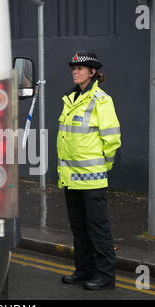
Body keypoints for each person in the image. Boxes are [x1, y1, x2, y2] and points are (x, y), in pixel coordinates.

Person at [57, 51, 121, 290]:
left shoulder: (101, 100)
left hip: (92, 179)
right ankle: (83, 270)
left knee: (98, 229)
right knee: (79, 228)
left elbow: (112, 139)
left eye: (80, 68)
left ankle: (105, 276)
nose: (75, 71)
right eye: (73, 68)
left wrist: (105, 167)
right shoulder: (70, 99)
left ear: (92, 72)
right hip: (71, 178)